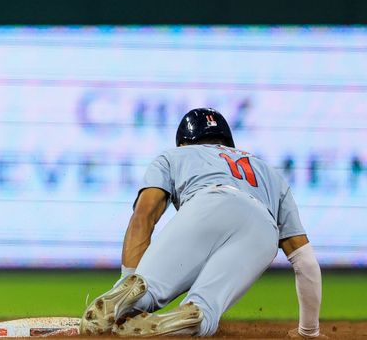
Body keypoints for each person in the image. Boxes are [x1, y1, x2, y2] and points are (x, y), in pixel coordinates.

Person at [80, 108, 322, 337]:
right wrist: (308, 332)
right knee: (206, 309)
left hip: (208, 203)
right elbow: (304, 260)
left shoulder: (174, 155)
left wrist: (128, 276)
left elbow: (144, 215)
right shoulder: (268, 171)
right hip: (263, 230)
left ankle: (130, 293)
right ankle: (197, 315)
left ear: (184, 141)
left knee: (148, 290)